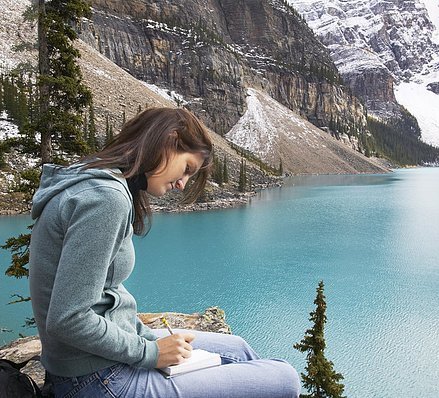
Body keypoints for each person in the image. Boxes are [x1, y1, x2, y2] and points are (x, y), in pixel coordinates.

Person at [28, 107, 301, 397]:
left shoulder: (102, 181)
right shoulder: (105, 199)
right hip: (94, 379)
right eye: (186, 170)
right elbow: (68, 319)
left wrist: (145, 337)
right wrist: (151, 353)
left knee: (238, 348)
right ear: (169, 140)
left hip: (96, 362)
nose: (182, 184)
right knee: (285, 379)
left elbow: (107, 298)